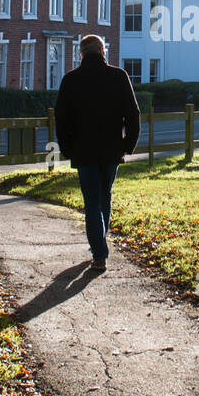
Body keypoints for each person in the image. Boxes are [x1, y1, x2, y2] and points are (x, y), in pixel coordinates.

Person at [54, 34, 140, 271]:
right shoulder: (118, 76)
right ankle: (99, 246)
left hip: (83, 150)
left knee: (91, 201)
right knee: (105, 197)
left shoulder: (71, 80)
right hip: (112, 148)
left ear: (81, 54)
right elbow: (133, 114)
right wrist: (127, 144)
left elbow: (61, 118)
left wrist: (66, 147)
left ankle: (99, 253)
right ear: (103, 51)